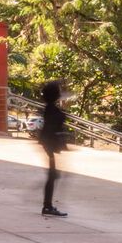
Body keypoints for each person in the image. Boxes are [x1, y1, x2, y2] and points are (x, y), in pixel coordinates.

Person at [39, 80, 70, 217]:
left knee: (52, 175)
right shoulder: (53, 110)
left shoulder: (49, 108)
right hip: (50, 145)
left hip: (48, 145)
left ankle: (48, 205)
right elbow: (52, 128)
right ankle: (47, 206)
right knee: (52, 176)